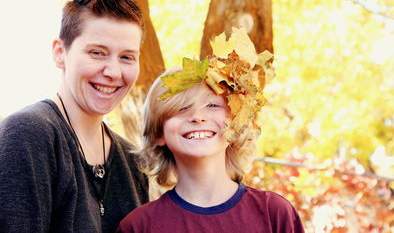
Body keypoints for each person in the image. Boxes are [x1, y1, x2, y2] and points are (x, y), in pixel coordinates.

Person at [116, 28, 305, 232]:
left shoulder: (274, 213)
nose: (198, 117)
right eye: (181, 108)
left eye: (212, 105)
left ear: (235, 123)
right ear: (159, 133)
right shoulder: (139, 226)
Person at [0, 0, 148, 233]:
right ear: (60, 52)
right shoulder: (27, 135)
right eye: (97, 53)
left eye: (126, 57)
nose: (112, 72)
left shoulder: (133, 162)